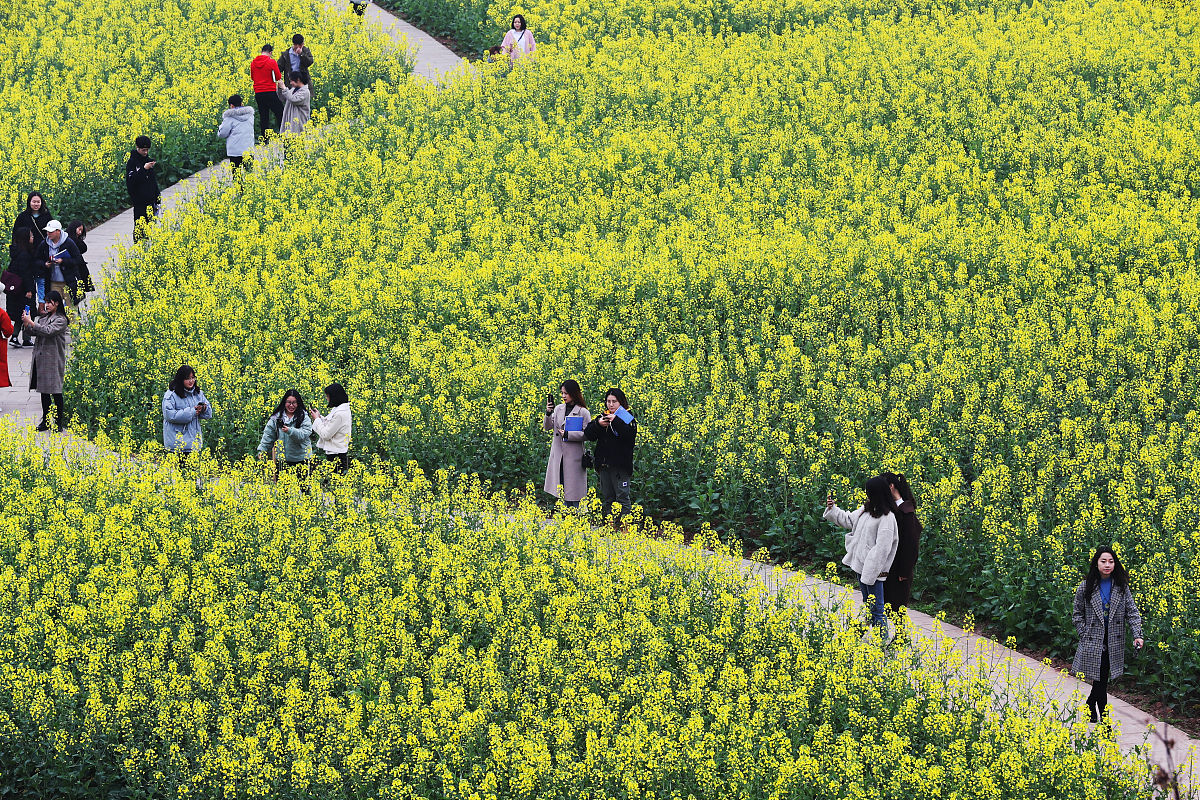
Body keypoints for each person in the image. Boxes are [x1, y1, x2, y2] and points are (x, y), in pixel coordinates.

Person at [1072, 547, 1144, 723]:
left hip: (1113, 639)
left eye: (1111, 561)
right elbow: (1077, 614)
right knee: (1101, 680)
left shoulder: (1121, 587)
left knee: (1101, 679)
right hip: (1093, 639)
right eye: (1103, 561)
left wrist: (1137, 635)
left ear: (1115, 564)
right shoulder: (1085, 586)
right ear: (1096, 564)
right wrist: (1084, 633)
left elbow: (1132, 612)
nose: (1107, 565)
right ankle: (1105, 723)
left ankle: (1090, 703)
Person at [823, 476, 899, 634]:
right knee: (868, 604)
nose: (867, 495)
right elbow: (848, 520)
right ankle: (860, 633)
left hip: (873, 571)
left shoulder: (887, 518)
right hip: (861, 566)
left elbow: (882, 550)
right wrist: (833, 508)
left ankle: (882, 640)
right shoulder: (867, 510)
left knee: (877, 609)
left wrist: (869, 574)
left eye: (869, 492)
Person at [584, 387, 637, 521]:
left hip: (620, 466)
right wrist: (598, 424)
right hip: (604, 464)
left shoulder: (627, 417)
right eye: (608, 401)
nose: (611, 404)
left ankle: (625, 526)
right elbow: (589, 434)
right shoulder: (603, 416)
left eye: (614, 401)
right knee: (608, 498)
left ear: (621, 403)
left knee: (622, 497)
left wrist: (616, 421)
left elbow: (630, 437)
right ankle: (610, 525)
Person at [21, 290, 70, 432]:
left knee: (56, 392)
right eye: (46, 302)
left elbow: (48, 331)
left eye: (50, 302)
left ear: (57, 303)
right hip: (41, 359)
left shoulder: (61, 319)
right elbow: (34, 332)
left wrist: (31, 322)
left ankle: (59, 423)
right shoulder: (43, 318)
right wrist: (26, 323)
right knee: (44, 392)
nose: (47, 305)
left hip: (53, 359)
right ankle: (46, 420)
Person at [543, 379, 591, 508]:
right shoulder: (558, 409)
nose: (563, 396)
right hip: (559, 455)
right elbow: (547, 427)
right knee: (561, 486)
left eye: (566, 393)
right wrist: (548, 413)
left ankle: (577, 517)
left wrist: (569, 435)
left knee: (575, 490)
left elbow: (588, 434)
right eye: (562, 393)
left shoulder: (583, 412)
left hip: (574, 457)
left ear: (574, 393)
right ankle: (566, 518)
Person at [882, 472, 921, 614]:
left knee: (896, 606)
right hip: (889, 566)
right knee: (878, 603)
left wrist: (905, 571)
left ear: (891, 487)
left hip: (899, 569)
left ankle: (900, 635)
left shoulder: (906, 512)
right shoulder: (893, 508)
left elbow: (911, 545)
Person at [257, 389, 314, 473]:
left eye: (294, 402)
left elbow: (304, 434)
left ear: (298, 403)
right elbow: (268, 435)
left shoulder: (303, 417)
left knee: (301, 485)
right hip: (282, 460)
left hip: (301, 459)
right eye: (288, 402)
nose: (291, 405)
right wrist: (262, 450)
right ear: (284, 402)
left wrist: (290, 431)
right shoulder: (276, 418)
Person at [162, 364, 213, 454]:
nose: (191, 381)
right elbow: (170, 415)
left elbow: (208, 415)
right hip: (177, 444)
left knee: (192, 468)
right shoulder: (171, 395)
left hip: (193, 444)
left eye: (193, 377)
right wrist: (193, 411)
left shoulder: (197, 393)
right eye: (187, 378)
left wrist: (204, 408)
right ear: (181, 380)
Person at [35, 221, 83, 313]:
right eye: (47, 231)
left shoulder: (69, 243)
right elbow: (37, 260)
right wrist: (45, 264)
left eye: (51, 232)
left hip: (68, 282)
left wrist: (63, 261)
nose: (48, 234)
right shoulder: (44, 244)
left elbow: (78, 260)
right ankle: (56, 326)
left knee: (71, 308)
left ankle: (74, 327)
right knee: (54, 309)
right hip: (53, 282)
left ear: (58, 231)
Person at [125, 136, 160, 242]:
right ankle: (139, 250)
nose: (145, 152)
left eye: (147, 150)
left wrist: (157, 197)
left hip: (151, 201)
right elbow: (131, 181)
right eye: (143, 150)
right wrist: (144, 169)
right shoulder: (132, 162)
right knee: (139, 229)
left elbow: (153, 182)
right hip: (139, 202)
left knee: (150, 229)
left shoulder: (149, 161)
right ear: (137, 148)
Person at [310, 382, 351, 473]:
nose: (326, 398)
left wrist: (317, 420)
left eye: (327, 396)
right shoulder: (339, 409)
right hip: (335, 452)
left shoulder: (340, 413)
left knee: (336, 482)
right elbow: (332, 424)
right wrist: (319, 417)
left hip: (337, 454)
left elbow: (326, 434)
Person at [6, 227, 37, 348]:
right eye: (30, 236)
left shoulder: (17, 252)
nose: (32, 238)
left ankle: (21, 338)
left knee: (21, 313)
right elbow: (26, 274)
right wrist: (29, 289)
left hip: (16, 289)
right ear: (25, 238)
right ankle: (20, 337)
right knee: (27, 312)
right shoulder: (24, 255)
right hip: (24, 290)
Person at [250, 44, 284, 136]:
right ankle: (284, 133)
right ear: (270, 52)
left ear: (262, 51)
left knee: (264, 116)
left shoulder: (253, 63)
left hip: (258, 93)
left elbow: (253, 77)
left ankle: (265, 139)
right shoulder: (271, 62)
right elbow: (278, 76)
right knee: (280, 112)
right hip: (270, 92)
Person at [217, 94, 256, 171]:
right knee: (249, 175)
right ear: (242, 104)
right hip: (248, 149)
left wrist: (219, 129)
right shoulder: (251, 116)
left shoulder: (229, 118)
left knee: (236, 175)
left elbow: (223, 133)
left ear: (231, 106)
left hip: (235, 152)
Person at [66, 221, 94, 299]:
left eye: (82, 231)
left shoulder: (75, 240)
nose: (80, 232)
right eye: (79, 229)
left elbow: (83, 248)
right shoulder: (69, 239)